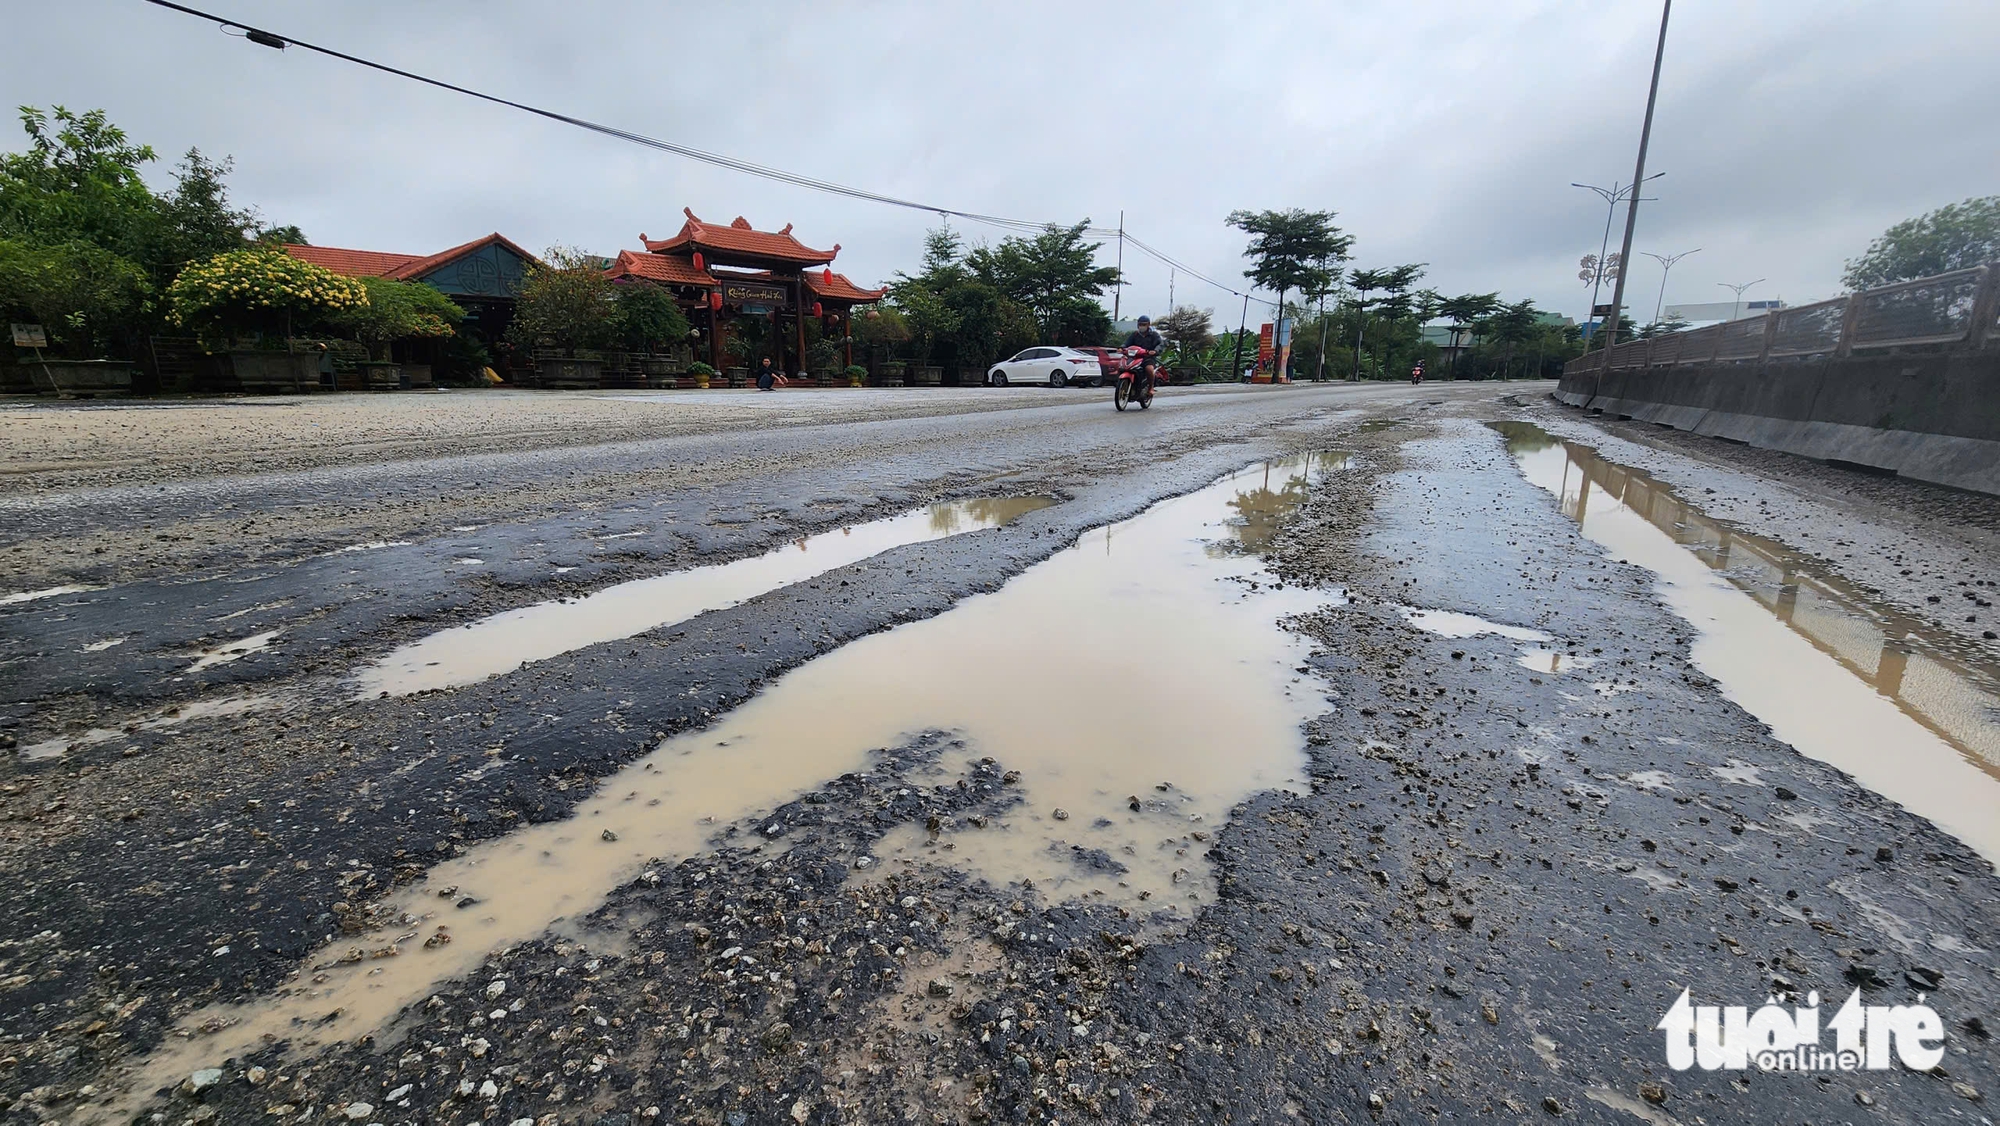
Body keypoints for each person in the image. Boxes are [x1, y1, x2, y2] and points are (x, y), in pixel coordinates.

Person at [1123, 314, 1165, 397]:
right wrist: (1122, 348)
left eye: (1144, 324)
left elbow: (1160, 344)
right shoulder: (1135, 335)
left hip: (1148, 358)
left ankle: (1150, 387)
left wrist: (1155, 351)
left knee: (1149, 369)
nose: (1142, 326)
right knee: (1122, 366)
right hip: (1134, 358)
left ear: (1148, 325)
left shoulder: (1154, 335)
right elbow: (1126, 343)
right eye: (1140, 324)